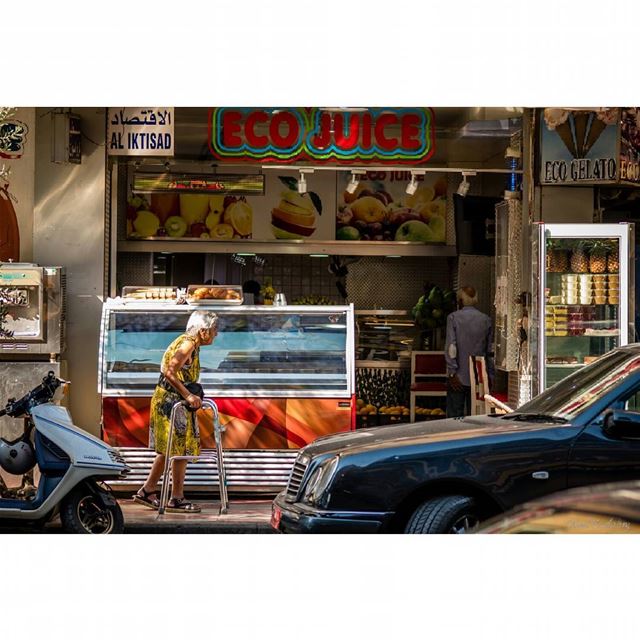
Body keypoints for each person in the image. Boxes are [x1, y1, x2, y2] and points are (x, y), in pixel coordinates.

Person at [133, 310, 219, 513]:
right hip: (171, 401)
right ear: (204, 331)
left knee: (173, 450)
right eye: (215, 329)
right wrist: (189, 395)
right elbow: (170, 371)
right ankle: (174, 497)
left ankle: (149, 491)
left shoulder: (190, 343)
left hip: (171, 399)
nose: (217, 334)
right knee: (176, 451)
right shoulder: (188, 343)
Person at [444, 286, 493, 418]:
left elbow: (451, 347)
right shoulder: (486, 320)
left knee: (454, 418)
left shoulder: (453, 318)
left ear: (460, 301)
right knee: (477, 416)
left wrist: (452, 373)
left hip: (458, 377)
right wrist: (489, 376)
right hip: (479, 378)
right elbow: (489, 351)